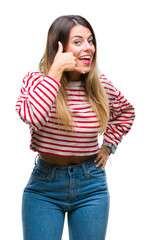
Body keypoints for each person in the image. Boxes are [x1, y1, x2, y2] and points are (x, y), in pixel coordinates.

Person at [16, 15, 135, 240]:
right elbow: (32, 116)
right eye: (78, 42)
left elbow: (126, 113)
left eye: (90, 41)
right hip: (44, 188)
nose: (88, 47)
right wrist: (55, 72)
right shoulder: (36, 82)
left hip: (92, 186)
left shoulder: (101, 87)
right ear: (58, 47)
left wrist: (108, 146)